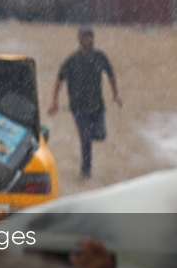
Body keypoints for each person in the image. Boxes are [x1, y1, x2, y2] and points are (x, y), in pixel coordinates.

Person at [47, 26, 122, 180]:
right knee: (85, 139)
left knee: (100, 134)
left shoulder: (100, 57)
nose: (88, 40)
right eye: (84, 37)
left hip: (97, 105)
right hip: (79, 107)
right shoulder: (72, 60)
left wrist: (116, 94)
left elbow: (111, 74)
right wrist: (54, 101)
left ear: (93, 39)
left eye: (90, 37)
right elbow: (58, 80)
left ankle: (90, 141)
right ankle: (85, 171)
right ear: (79, 39)